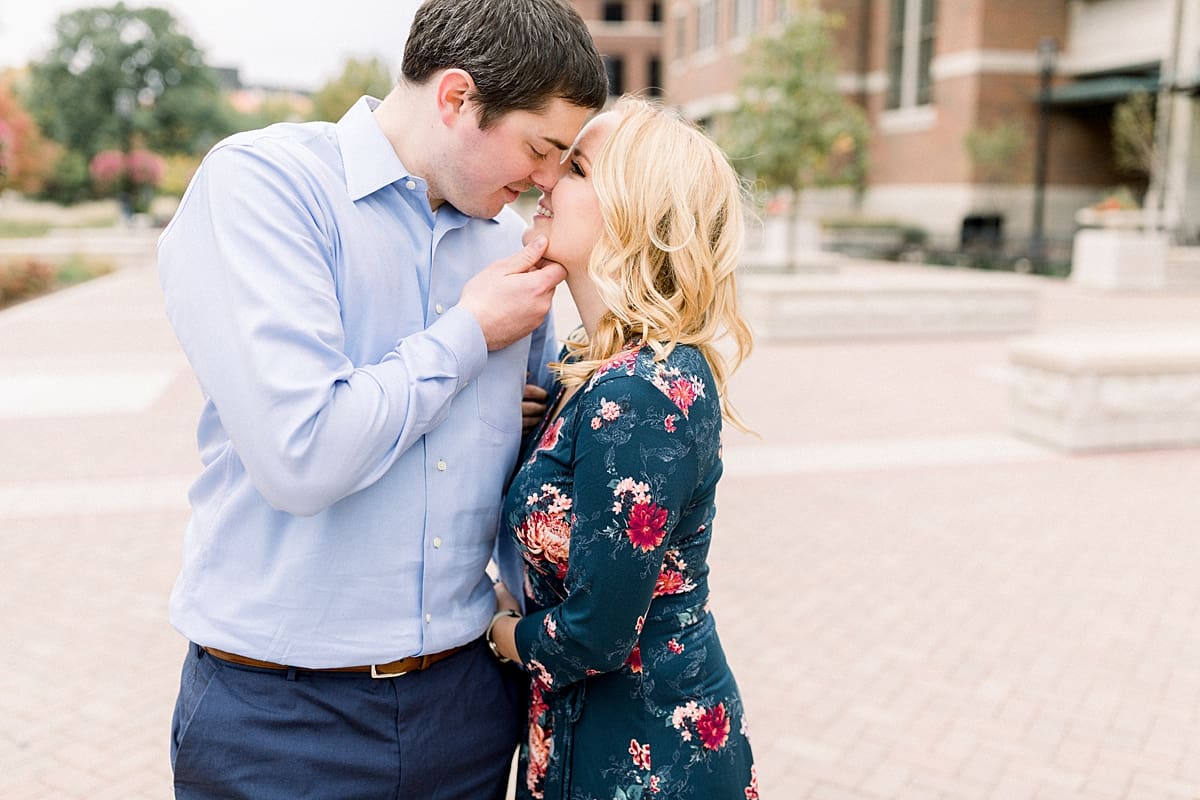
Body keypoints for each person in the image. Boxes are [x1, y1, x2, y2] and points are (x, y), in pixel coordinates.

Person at [157, 1, 607, 797]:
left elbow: (519, 466)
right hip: (280, 722)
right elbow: (302, 456)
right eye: (540, 148)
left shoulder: (510, 247)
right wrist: (468, 334)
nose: (544, 180)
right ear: (457, 98)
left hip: (467, 704)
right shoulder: (265, 187)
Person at [486, 95, 759, 800]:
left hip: (644, 751)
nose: (544, 179)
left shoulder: (637, 390)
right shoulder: (598, 366)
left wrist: (502, 632)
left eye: (574, 167)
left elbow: (596, 634)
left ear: (634, 215)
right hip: (600, 728)